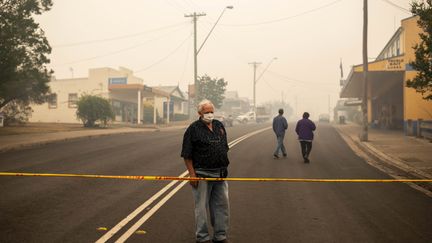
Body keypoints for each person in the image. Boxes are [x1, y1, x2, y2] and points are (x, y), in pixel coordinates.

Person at [181, 99, 230, 243]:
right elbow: (187, 154)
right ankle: (202, 237)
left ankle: (220, 236)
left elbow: (224, 146)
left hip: (220, 174)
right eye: (206, 112)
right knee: (201, 208)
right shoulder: (193, 129)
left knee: (222, 206)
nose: (210, 114)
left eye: (211, 112)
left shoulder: (219, 125)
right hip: (202, 175)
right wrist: (192, 174)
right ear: (199, 113)